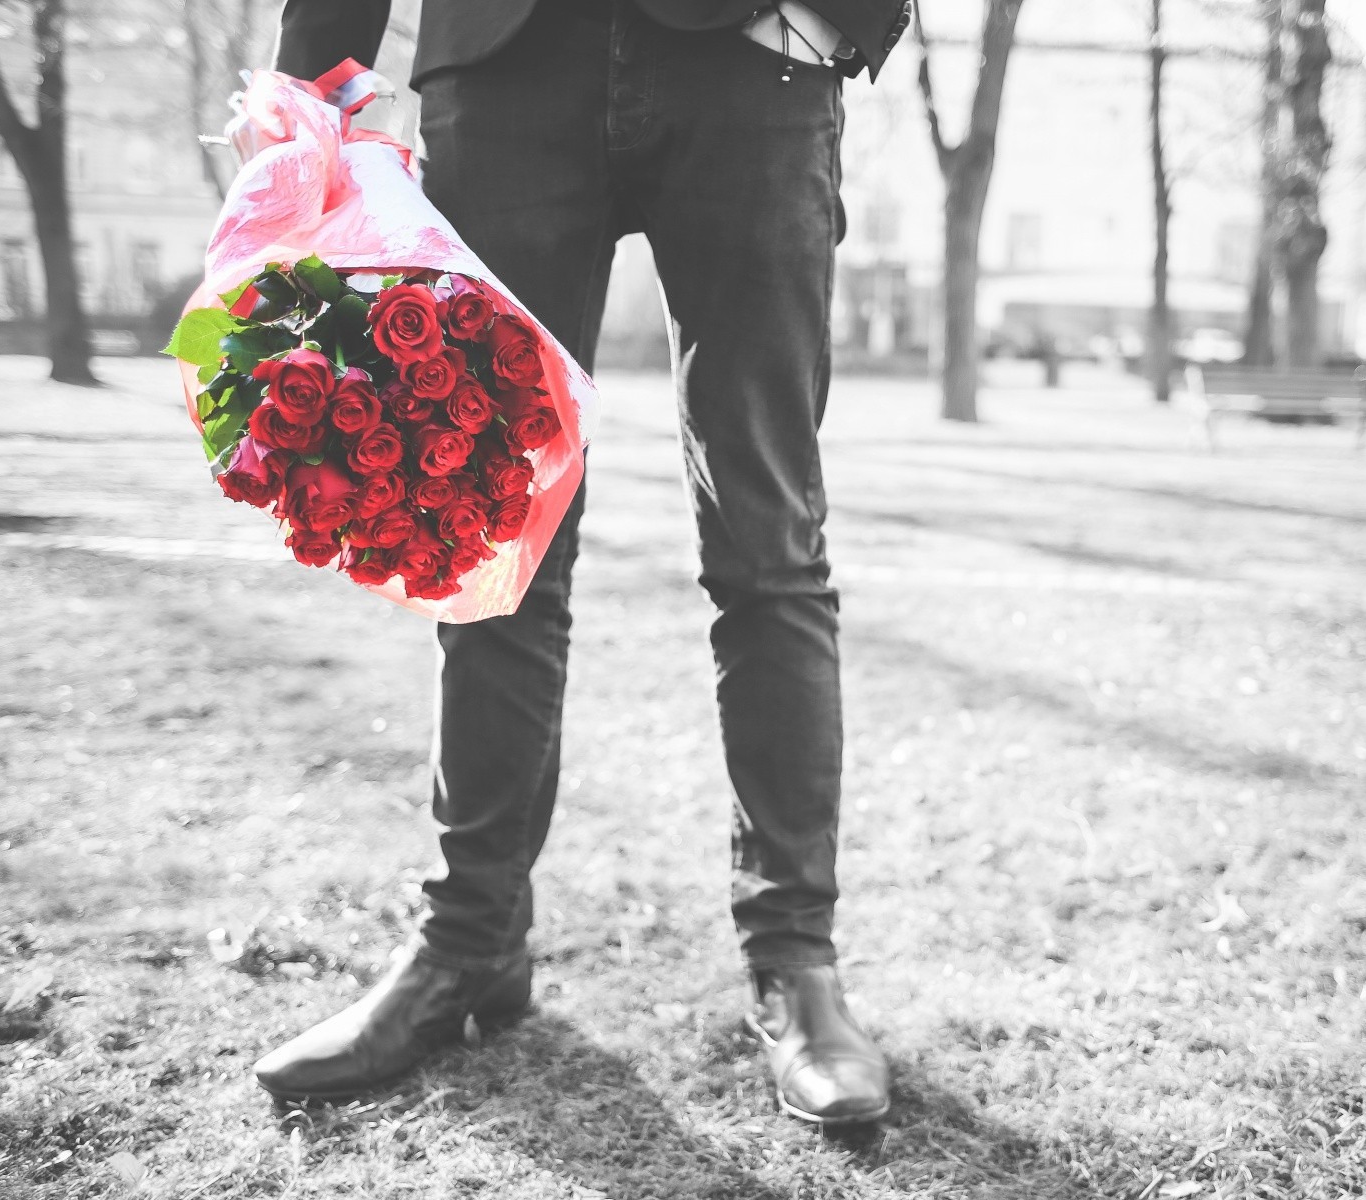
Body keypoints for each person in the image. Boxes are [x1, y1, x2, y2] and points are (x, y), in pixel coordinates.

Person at [251, 0, 913, 1127]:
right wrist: (309, 87)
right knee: (498, 533)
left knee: (769, 545)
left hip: (755, 58)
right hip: (506, 63)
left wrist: (841, 16)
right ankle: (469, 945)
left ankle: (796, 962)